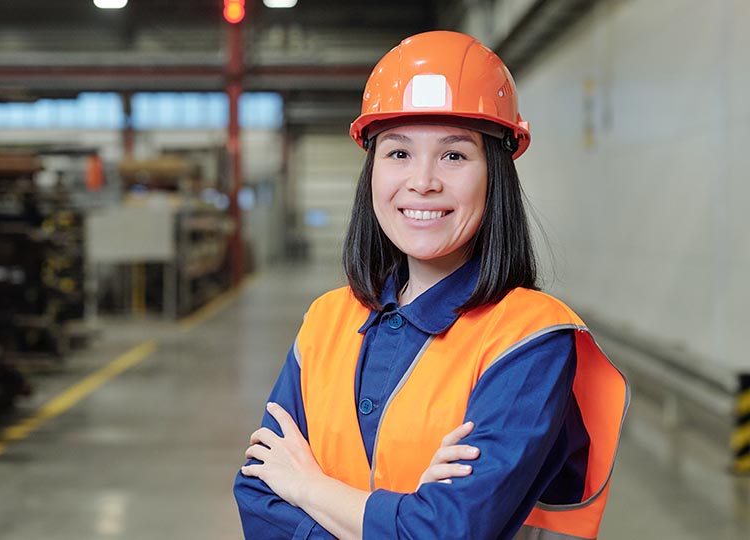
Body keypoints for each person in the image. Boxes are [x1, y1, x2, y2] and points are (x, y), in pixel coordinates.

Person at [232, 30, 629, 540]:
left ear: (495, 175)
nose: (422, 181)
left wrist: (309, 487)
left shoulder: (531, 340)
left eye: (454, 155)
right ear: (371, 171)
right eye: (398, 153)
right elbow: (258, 497)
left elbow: (446, 532)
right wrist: (407, 513)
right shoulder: (325, 322)